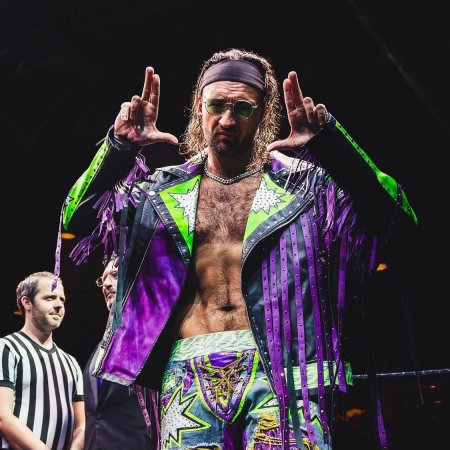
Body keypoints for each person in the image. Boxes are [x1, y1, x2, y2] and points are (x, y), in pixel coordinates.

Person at [60, 48, 417, 449]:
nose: (227, 120)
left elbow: (397, 222)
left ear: (263, 113)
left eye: (243, 108)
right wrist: (118, 147)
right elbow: (76, 219)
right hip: (187, 370)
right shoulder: (162, 190)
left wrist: (332, 145)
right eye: (217, 105)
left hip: (283, 372)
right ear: (199, 106)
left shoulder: (303, 186)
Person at [0, 271, 85, 450]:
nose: (59, 305)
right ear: (27, 302)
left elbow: (82, 426)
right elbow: (3, 417)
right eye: (50, 298)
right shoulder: (6, 348)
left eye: (62, 300)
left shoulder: (71, 363)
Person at [83, 255, 159, 449]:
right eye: (103, 279)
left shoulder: (151, 335)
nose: (106, 284)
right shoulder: (102, 345)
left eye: (115, 275)